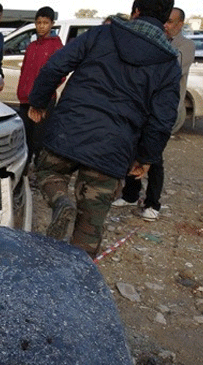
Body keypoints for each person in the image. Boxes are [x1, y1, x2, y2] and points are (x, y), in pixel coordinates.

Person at [27, 0, 180, 258]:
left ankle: (60, 201)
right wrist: (145, 157)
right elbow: (162, 120)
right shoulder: (168, 64)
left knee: (47, 171)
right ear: (166, 20)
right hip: (113, 149)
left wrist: (39, 102)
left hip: (68, 131)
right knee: (90, 224)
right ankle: (77, 282)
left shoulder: (102, 34)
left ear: (136, 11)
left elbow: (55, 66)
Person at [112, 6, 195, 221]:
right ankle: (130, 194)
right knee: (133, 148)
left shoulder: (185, 46)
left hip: (165, 111)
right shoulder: (158, 42)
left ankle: (152, 203)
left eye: (170, 22)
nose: (165, 26)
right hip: (144, 107)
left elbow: (172, 68)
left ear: (180, 24)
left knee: (154, 157)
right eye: (164, 22)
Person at [16, 6, 63, 165]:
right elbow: (24, 71)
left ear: (52, 24)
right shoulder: (32, 47)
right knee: (24, 137)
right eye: (38, 23)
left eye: (45, 22)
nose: (41, 26)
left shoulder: (56, 47)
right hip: (25, 99)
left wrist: (44, 94)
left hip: (43, 100)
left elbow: (60, 75)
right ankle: (24, 167)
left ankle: (39, 168)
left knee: (39, 138)